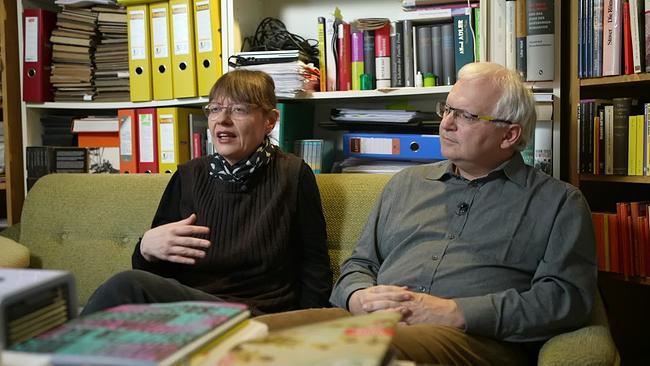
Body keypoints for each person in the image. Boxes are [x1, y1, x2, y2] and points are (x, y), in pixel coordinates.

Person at [256, 62, 597, 365]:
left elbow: (566, 299)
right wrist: (357, 296)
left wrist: (457, 312)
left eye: (466, 116)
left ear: (509, 134)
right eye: (447, 109)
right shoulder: (406, 184)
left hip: (472, 341)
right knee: (247, 333)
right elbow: (360, 264)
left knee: (357, 349)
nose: (447, 124)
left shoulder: (559, 203)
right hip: (371, 322)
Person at [82, 69, 332, 316]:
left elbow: (315, 268)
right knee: (127, 291)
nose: (222, 119)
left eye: (239, 109)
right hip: (188, 311)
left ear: (270, 120)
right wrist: (145, 249)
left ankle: (56, 353)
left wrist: (305, 327)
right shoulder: (190, 175)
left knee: (127, 285)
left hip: (256, 315)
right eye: (214, 109)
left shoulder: (293, 174)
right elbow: (156, 274)